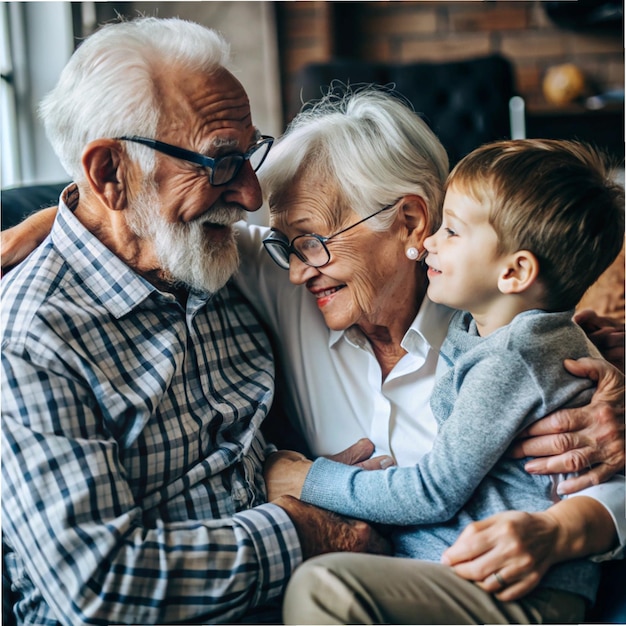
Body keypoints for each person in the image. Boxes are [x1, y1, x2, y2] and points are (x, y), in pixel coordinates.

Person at [3, 82, 624, 620]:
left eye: (312, 243)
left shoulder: (495, 321)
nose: (299, 273)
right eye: (284, 245)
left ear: (409, 223)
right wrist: (50, 223)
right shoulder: (286, 276)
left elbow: (587, 465)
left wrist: (569, 529)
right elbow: (152, 214)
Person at [0, 18, 395, 626]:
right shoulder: (33, 338)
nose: (251, 194)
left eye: (250, 153)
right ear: (110, 175)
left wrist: (557, 340)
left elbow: (404, 251)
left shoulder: (207, 253)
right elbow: (101, 586)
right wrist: (306, 529)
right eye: (220, 163)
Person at [264, 138, 625, 624]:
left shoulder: (514, 358)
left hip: (519, 588)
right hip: (463, 575)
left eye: (451, 231)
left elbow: (433, 492)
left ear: (515, 271)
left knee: (324, 589)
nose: (432, 240)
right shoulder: (487, 329)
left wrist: (308, 479)